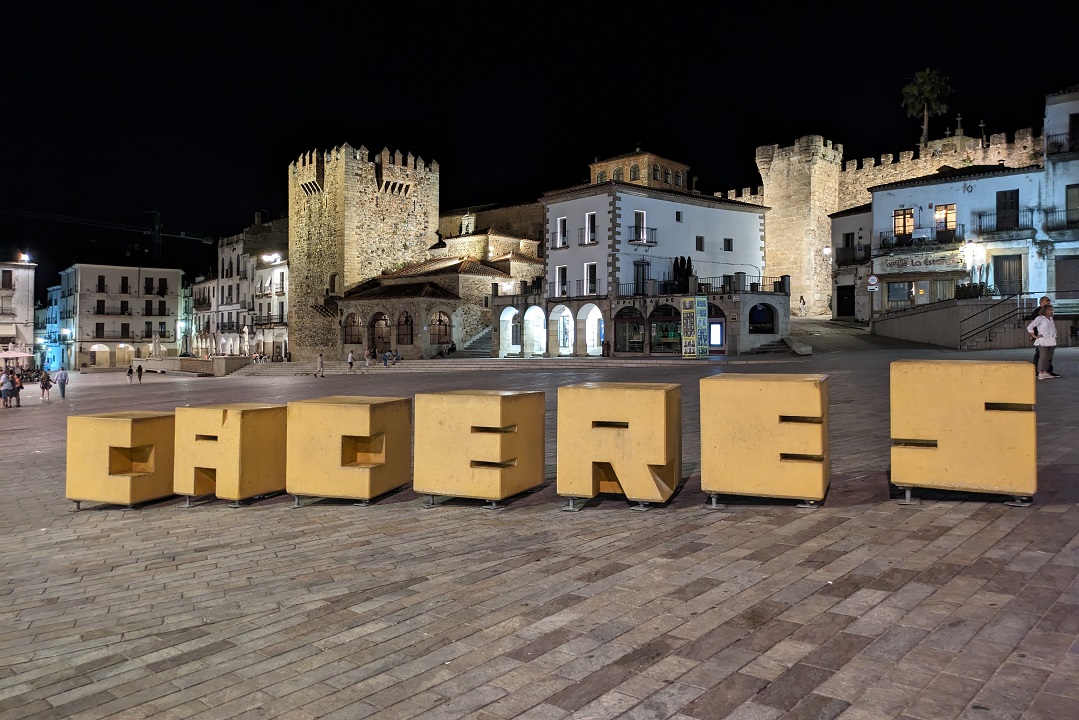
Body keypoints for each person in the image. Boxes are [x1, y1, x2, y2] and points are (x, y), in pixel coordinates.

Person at [1028, 296, 1059, 377]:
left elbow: (1052, 327)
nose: (1048, 302)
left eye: (1049, 301)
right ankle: (1039, 371)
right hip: (1042, 339)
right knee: (1042, 356)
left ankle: (1046, 370)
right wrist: (1033, 335)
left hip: (1050, 340)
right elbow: (1032, 325)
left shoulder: (1050, 318)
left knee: (1048, 356)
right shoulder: (1038, 315)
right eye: (1046, 301)